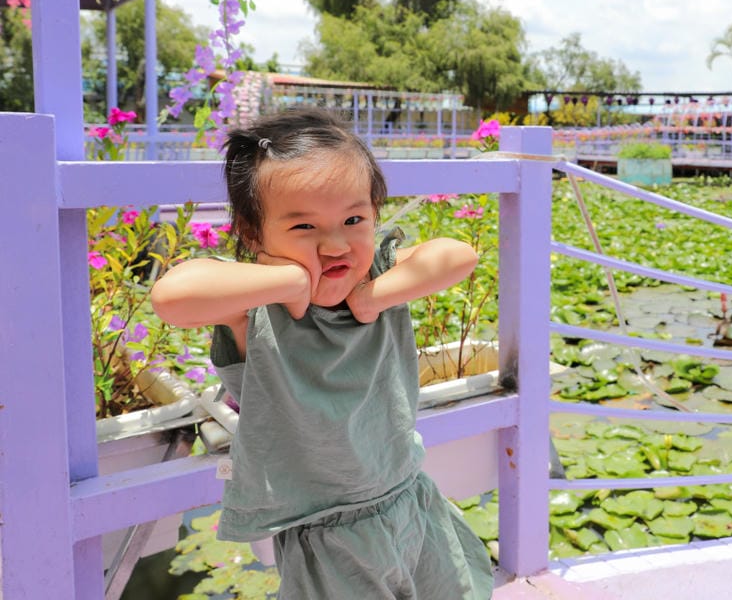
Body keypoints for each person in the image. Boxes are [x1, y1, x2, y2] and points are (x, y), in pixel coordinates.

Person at [151, 108, 494, 599]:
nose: (335, 244)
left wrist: (374, 296)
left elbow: (458, 255)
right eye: (304, 227)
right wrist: (289, 281)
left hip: (409, 497)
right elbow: (171, 297)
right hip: (327, 532)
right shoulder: (254, 310)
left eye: (354, 219)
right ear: (253, 233)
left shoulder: (377, 274)